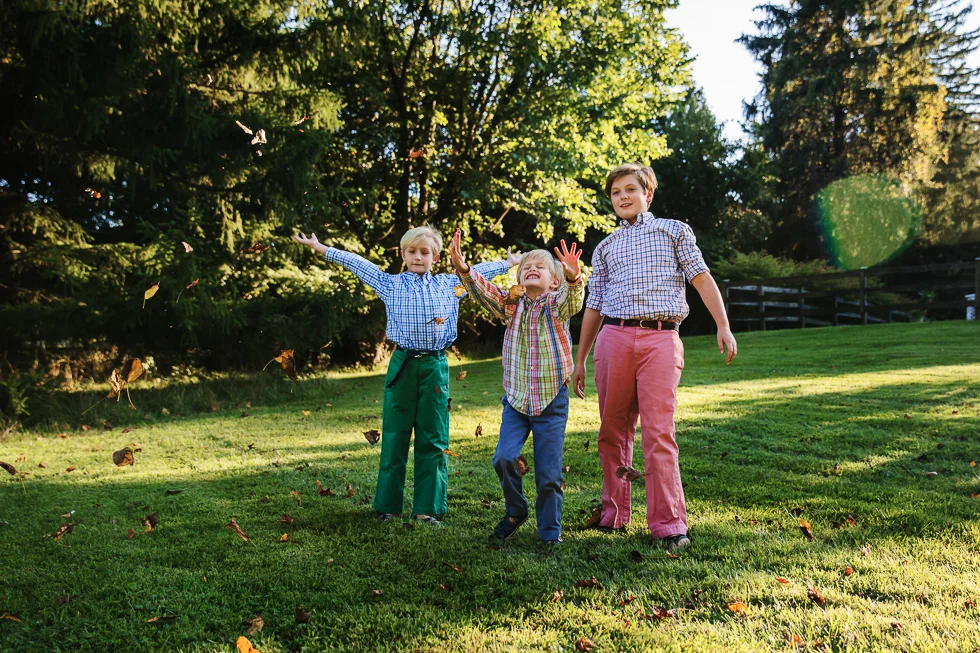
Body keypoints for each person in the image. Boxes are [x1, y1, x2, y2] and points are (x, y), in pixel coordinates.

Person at [293, 226, 517, 524]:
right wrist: (321, 248)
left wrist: (510, 263)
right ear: (402, 254)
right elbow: (356, 263)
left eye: (424, 252)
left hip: (435, 367)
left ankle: (428, 508)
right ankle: (388, 506)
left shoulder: (452, 285)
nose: (418, 256)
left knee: (434, 437)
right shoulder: (390, 284)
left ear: (435, 257)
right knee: (396, 435)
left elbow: (479, 272)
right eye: (412, 251)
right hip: (402, 365)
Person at [571, 163, 738, 551]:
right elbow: (593, 307)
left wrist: (723, 324)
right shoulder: (606, 247)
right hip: (613, 338)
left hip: (661, 339)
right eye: (616, 193)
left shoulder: (674, 230)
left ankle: (668, 523)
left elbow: (700, 277)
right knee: (612, 430)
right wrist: (580, 359)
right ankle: (613, 512)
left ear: (648, 193)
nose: (623, 197)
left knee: (659, 432)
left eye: (630, 189)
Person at [450, 229, 583, 544]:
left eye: (540, 267)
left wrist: (574, 277)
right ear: (520, 279)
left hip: (552, 402)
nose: (531, 269)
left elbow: (573, 300)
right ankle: (516, 510)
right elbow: (484, 292)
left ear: (553, 280)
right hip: (517, 401)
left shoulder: (556, 305)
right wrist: (464, 269)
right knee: (503, 458)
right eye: (526, 268)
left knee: (548, 475)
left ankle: (550, 533)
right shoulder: (511, 306)